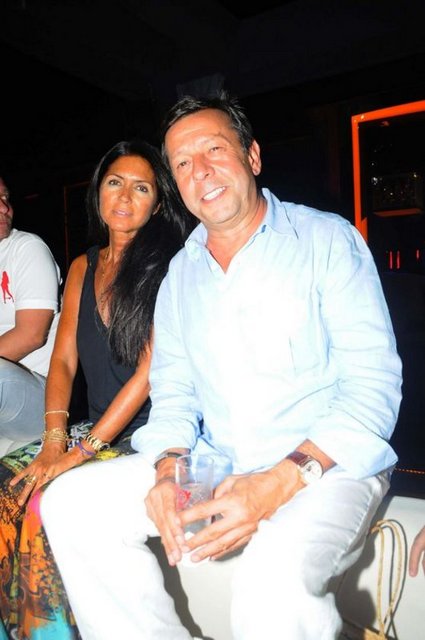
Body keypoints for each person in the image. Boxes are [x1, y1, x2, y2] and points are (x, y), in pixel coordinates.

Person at [40, 91, 402, 640]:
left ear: (252, 156)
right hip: (221, 458)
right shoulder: (180, 275)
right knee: (72, 504)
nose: (200, 171)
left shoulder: (327, 240)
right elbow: (175, 393)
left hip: (326, 465)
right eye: (183, 163)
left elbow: (374, 388)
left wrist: (278, 482)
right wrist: (169, 469)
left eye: (214, 149)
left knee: (273, 579)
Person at [0, 139, 194, 639]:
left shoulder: (169, 265)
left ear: (158, 203)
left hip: (149, 434)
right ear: (98, 191)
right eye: (115, 182)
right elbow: (63, 360)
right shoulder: (84, 267)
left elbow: (148, 372)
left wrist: (80, 451)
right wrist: (53, 442)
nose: (125, 196)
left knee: (45, 500)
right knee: (5, 485)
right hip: (92, 428)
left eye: (141, 188)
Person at [0, 175, 61, 450]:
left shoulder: (27, 248)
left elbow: (32, 334)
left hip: (39, 395)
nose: (4, 208)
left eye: (5, 197)